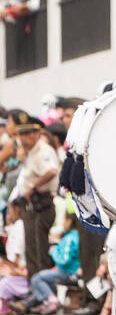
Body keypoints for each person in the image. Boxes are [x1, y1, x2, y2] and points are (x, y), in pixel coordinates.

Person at [7, 110, 57, 278]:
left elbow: (51, 171)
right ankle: (36, 290)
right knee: (31, 252)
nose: (23, 137)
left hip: (41, 204)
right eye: (21, 133)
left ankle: (44, 295)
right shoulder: (31, 152)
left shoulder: (43, 150)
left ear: (37, 133)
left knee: (38, 251)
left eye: (27, 133)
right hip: (30, 206)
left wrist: (33, 187)